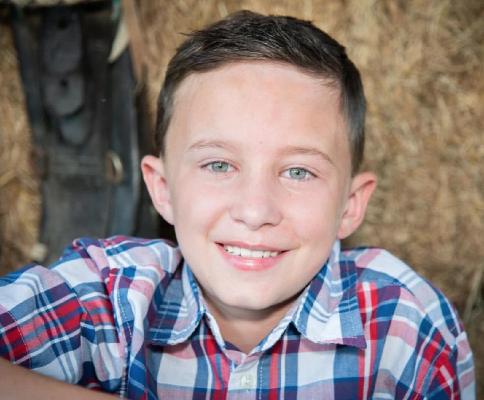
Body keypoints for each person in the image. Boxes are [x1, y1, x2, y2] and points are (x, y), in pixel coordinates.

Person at [0, 10, 475, 400]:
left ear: (350, 205)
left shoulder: (403, 325)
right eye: (219, 165)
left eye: (298, 172)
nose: (255, 210)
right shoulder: (108, 296)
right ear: (162, 188)